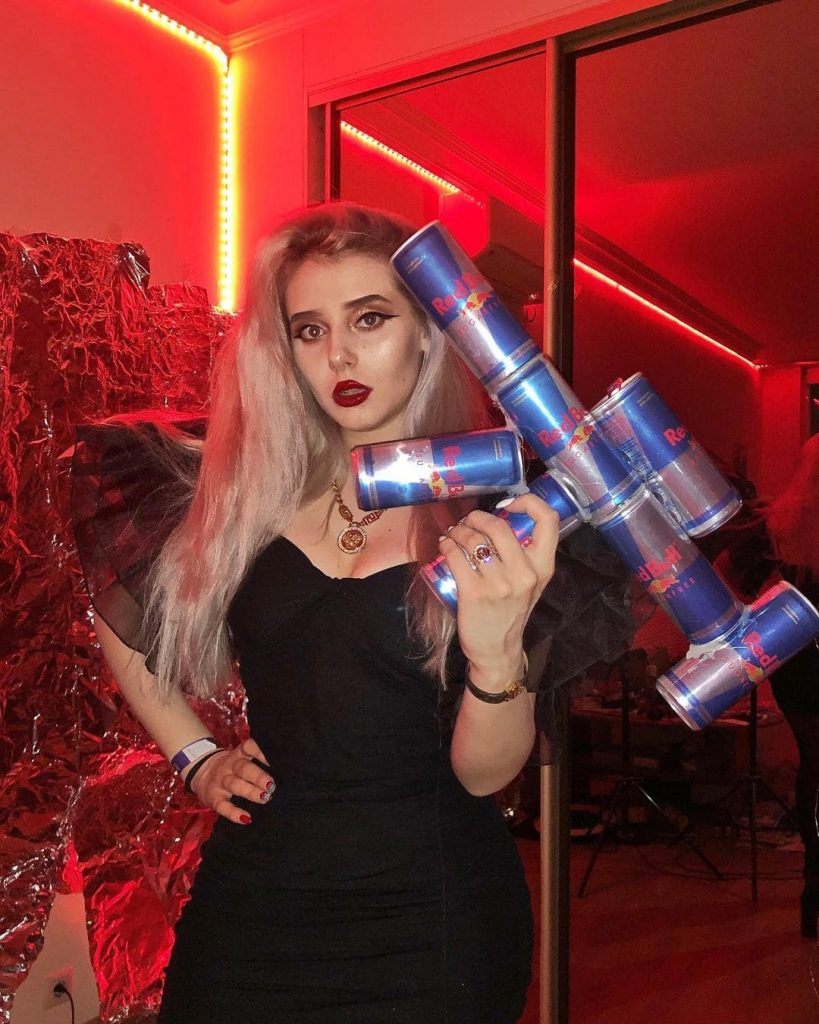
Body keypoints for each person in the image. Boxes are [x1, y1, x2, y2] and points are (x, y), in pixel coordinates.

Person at [70, 202, 638, 1022]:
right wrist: (194, 756)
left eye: (369, 318)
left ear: (426, 334)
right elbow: (120, 607)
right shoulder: (244, 492)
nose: (337, 352)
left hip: (430, 921)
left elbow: (484, 775)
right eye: (309, 330)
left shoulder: (497, 517)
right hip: (253, 907)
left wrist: (495, 654)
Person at [715, 434, 819, 939]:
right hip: (801, 660)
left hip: (796, 657)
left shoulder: (776, 523)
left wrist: (761, 610)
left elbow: (728, 574)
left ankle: (812, 885)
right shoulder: (775, 522)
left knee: (813, 764)